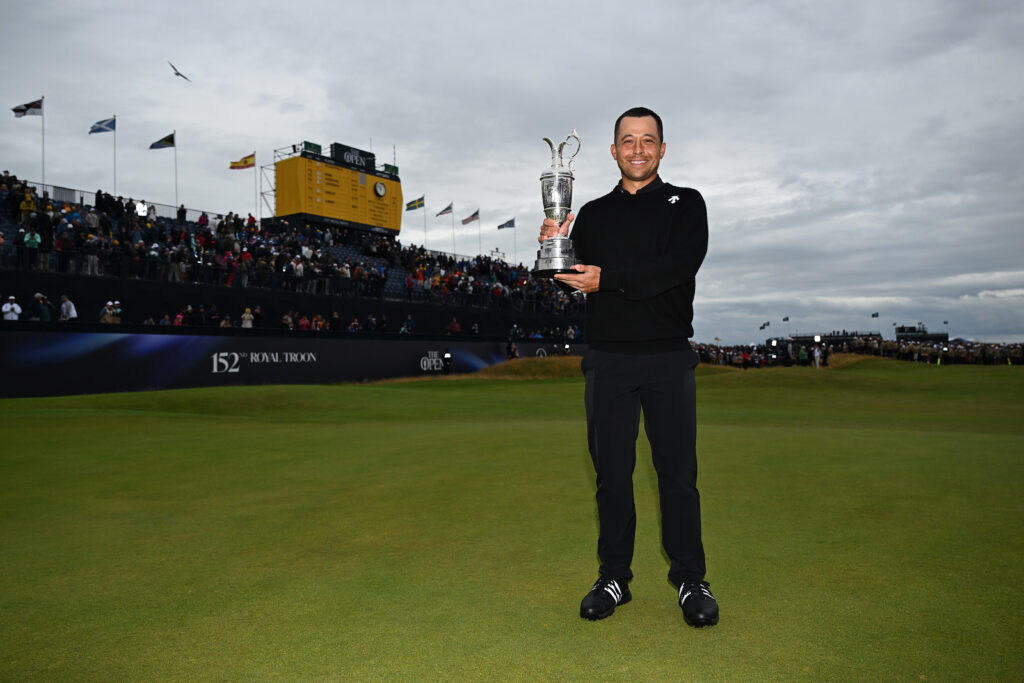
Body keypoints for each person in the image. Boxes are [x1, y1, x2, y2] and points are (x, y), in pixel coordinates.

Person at [538, 106, 717, 627]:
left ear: (662, 150)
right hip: (608, 359)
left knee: (677, 476)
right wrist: (554, 244)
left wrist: (609, 279)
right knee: (612, 477)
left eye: (648, 140)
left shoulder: (687, 204)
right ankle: (614, 576)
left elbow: (677, 267)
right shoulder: (591, 213)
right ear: (613, 151)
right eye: (627, 141)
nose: (637, 148)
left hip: (666, 356)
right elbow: (574, 276)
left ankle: (690, 579)